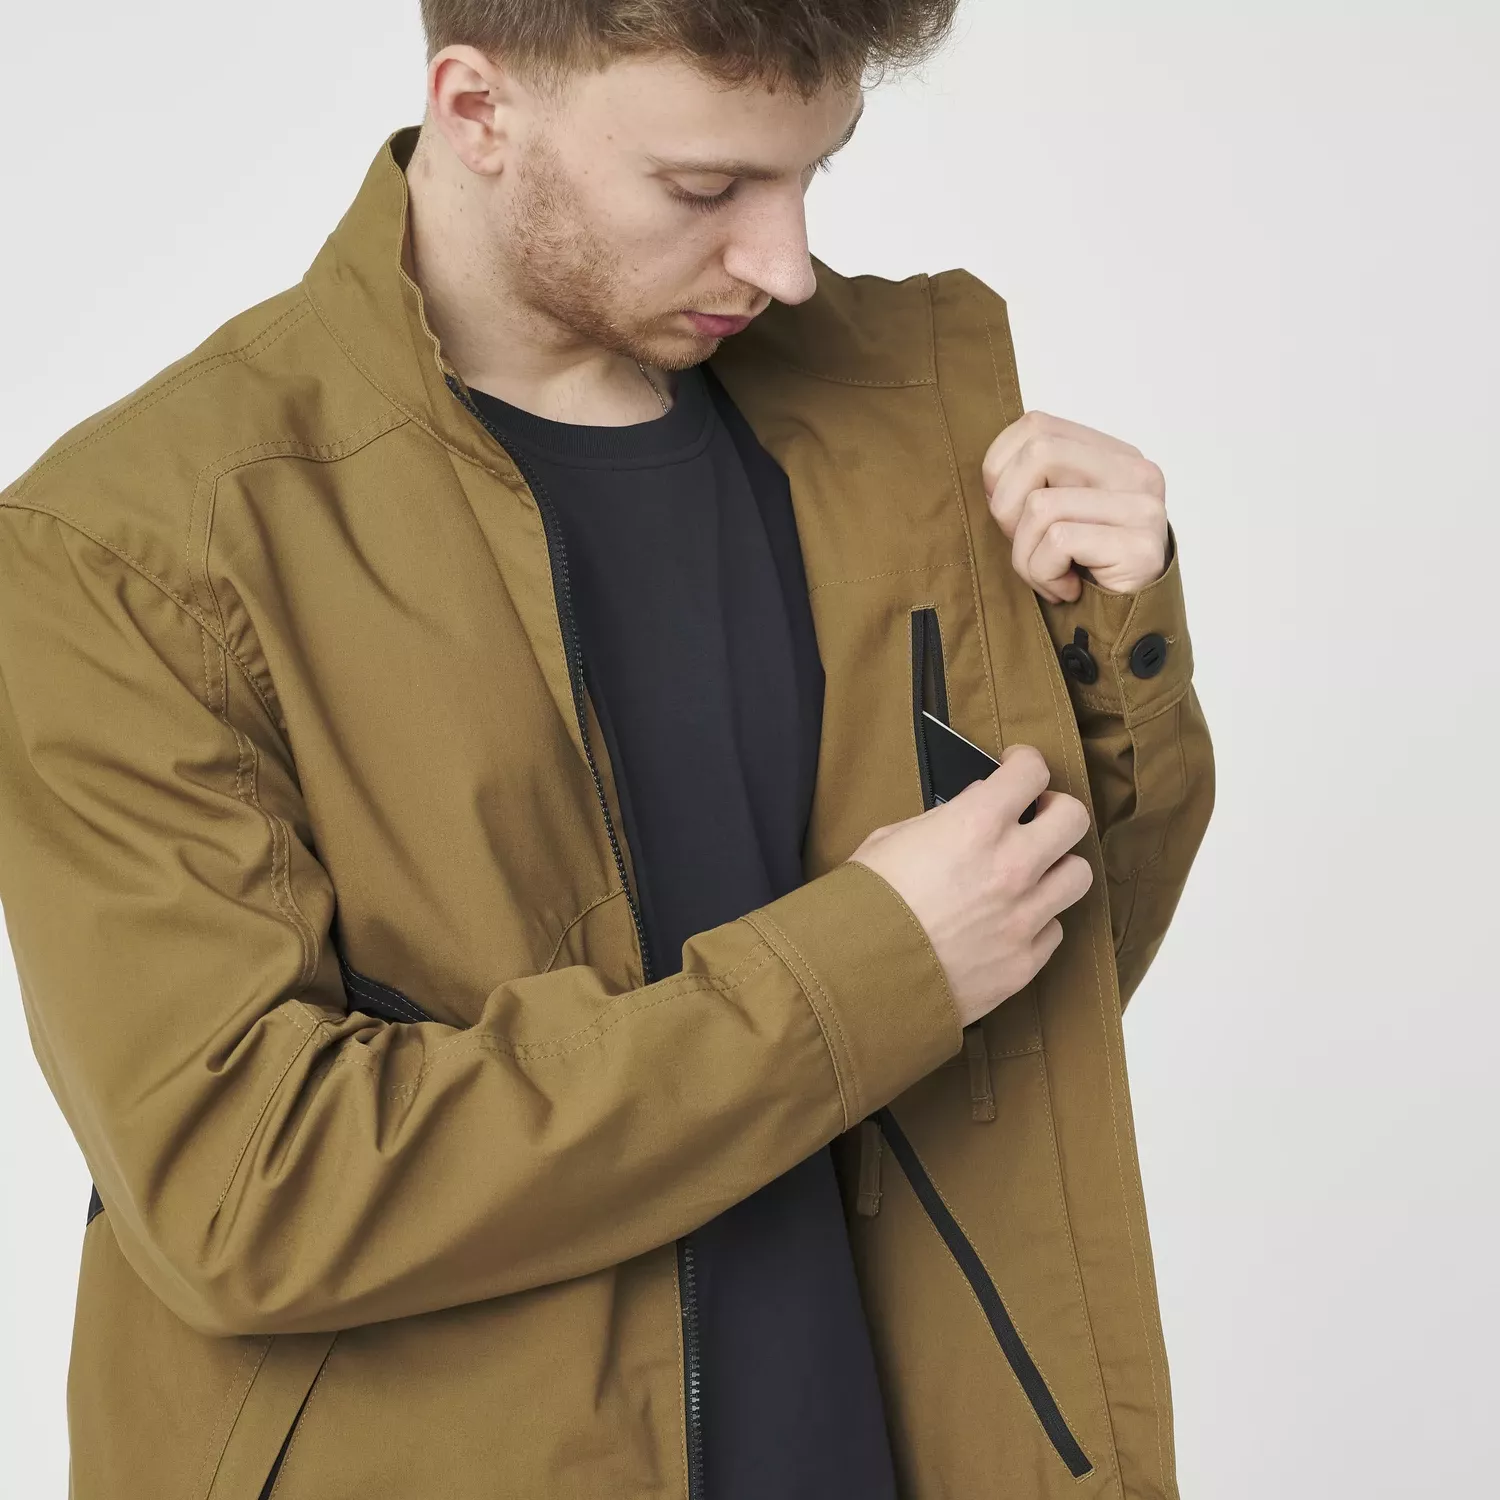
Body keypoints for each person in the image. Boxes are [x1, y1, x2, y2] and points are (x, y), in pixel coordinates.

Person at [0, 3, 1215, 1497]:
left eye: (815, 171)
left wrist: (1110, 644)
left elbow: (1034, 1007)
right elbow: (247, 1191)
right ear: (476, 110)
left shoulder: (891, 428)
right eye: (707, 188)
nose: (784, 261)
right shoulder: (137, 549)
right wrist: (863, 966)